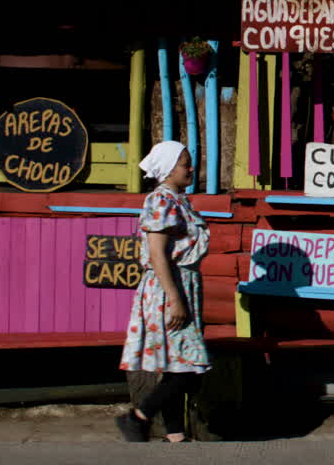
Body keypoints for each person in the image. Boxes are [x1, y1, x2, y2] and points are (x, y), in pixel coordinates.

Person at [114, 141, 211, 443]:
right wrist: (175, 298)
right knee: (190, 364)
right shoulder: (161, 200)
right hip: (168, 288)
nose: (191, 168)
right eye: (185, 163)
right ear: (169, 169)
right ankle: (139, 415)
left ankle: (175, 434)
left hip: (180, 285)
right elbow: (157, 253)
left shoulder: (178, 200)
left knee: (174, 364)